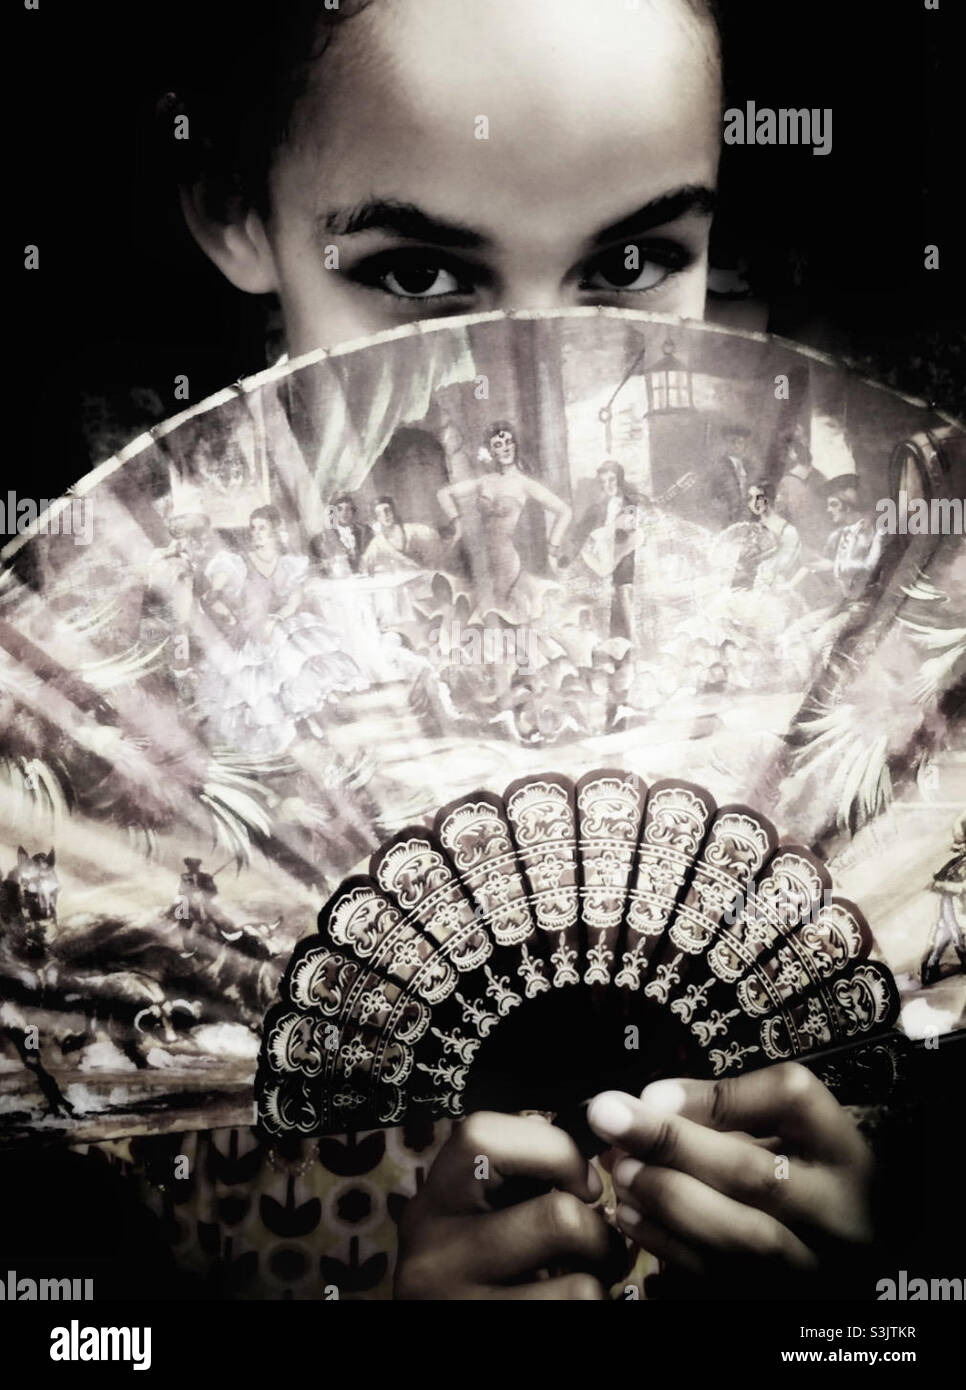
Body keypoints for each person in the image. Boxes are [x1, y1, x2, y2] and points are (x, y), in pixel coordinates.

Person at [156, 0, 893, 1300]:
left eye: (629, 264)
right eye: (420, 276)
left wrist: (861, 1300)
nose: (534, 383)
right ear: (233, 214)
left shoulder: (846, 636)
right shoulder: (106, 710)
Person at [437, 421, 571, 620]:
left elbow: (564, 511)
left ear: (515, 444)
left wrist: (552, 549)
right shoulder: (485, 481)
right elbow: (443, 493)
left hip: (505, 560)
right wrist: (457, 524)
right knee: (477, 614)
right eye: (498, 445)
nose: (506, 447)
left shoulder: (524, 484)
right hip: (482, 560)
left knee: (498, 614)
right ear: (491, 451)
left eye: (509, 442)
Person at [774, 422, 828, 553]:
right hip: (799, 549)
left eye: (805, 440)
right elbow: (780, 520)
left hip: (823, 546)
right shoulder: (786, 483)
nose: (804, 444)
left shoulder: (820, 477)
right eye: (798, 443)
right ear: (790, 451)